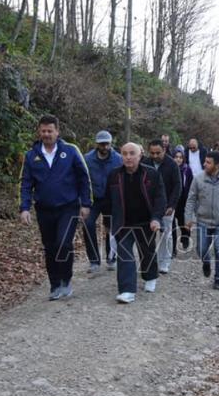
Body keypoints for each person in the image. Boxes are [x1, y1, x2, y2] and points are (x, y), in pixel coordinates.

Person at [19, 115, 92, 301]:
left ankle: (66, 279)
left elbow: (84, 177)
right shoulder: (31, 155)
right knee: (50, 247)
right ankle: (54, 284)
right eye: (43, 131)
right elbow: (25, 183)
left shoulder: (70, 151)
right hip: (44, 209)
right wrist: (24, 208)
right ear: (39, 132)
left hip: (68, 207)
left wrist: (86, 203)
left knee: (63, 243)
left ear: (57, 131)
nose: (46, 134)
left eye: (50, 131)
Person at [106, 143, 166, 304]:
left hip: (146, 221)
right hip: (123, 223)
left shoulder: (152, 174)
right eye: (124, 153)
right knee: (124, 255)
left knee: (147, 252)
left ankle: (150, 276)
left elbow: (160, 198)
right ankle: (127, 290)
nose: (128, 157)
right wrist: (108, 222)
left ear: (140, 155)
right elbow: (107, 201)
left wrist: (156, 218)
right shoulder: (114, 175)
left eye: (132, 153)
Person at [185, 151, 219, 290]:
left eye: (208, 162)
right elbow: (191, 199)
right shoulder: (198, 179)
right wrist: (188, 218)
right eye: (205, 161)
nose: (205, 164)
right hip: (203, 220)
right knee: (201, 249)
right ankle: (206, 262)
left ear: (217, 165)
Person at [83, 130, 123, 272]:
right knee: (87, 224)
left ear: (111, 144)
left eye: (107, 144)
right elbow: (82, 180)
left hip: (111, 200)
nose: (104, 147)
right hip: (93, 199)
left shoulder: (118, 159)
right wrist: (83, 201)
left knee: (111, 228)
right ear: (97, 144)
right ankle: (94, 261)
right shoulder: (87, 159)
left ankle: (111, 257)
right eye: (102, 144)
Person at [142, 139, 182, 273]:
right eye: (152, 153)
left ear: (164, 150)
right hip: (148, 205)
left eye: (158, 153)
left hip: (166, 206)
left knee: (165, 234)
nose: (154, 156)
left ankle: (165, 261)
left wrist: (172, 205)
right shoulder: (145, 163)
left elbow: (177, 186)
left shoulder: (172, 164)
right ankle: (150, 261)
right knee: (148, 234)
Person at [173, 148, 194, 251]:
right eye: (176, 157)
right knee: (172, 226)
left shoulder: (187, 169)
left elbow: (191, 185)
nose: (178, 159)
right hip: (173, 201)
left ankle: (185, 239)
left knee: (183, 223)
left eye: (180, 157)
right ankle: (172, 248)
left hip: (184, 200)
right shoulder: (170, 169)